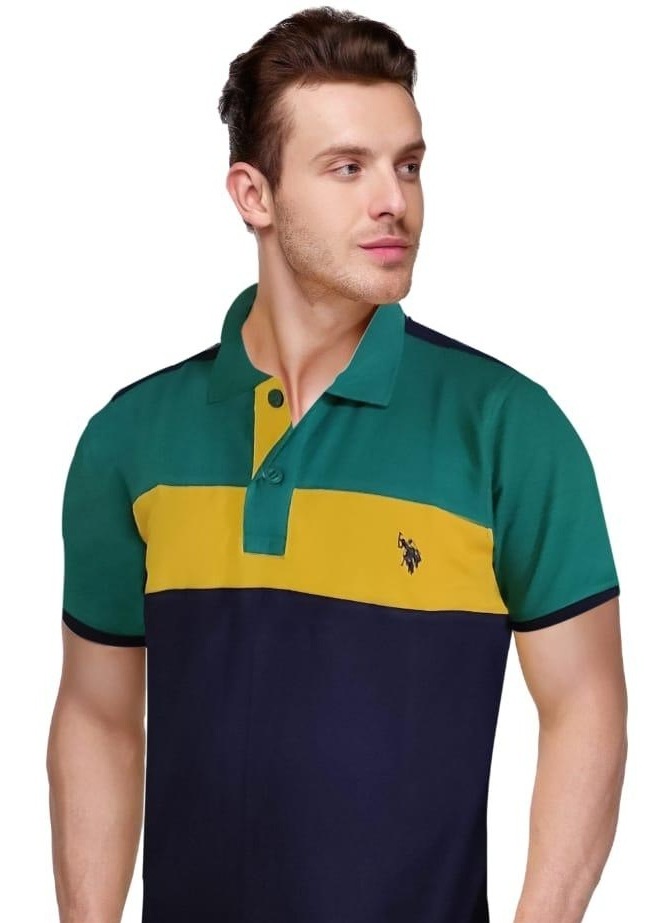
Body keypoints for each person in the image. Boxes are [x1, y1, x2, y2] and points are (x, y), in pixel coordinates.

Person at [46, 7, 627, 923]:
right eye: (347, 167)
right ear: (254, 195)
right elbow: (98, 715)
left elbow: (585, 703)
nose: (393, 200)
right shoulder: (131, 438)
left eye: (408, 164)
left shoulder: (507, 427)